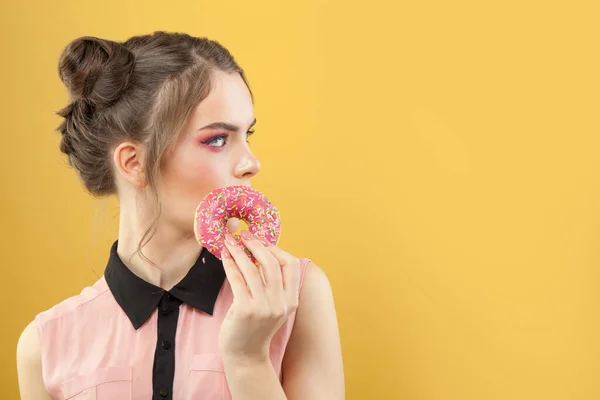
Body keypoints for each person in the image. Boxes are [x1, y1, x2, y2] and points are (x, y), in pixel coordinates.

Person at [16, 31, 345, 399]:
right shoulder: (45, 347)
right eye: (218, 139)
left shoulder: (295, 294)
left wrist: (248, 360)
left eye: (247, 135)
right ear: (134, 162)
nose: (252, 163)